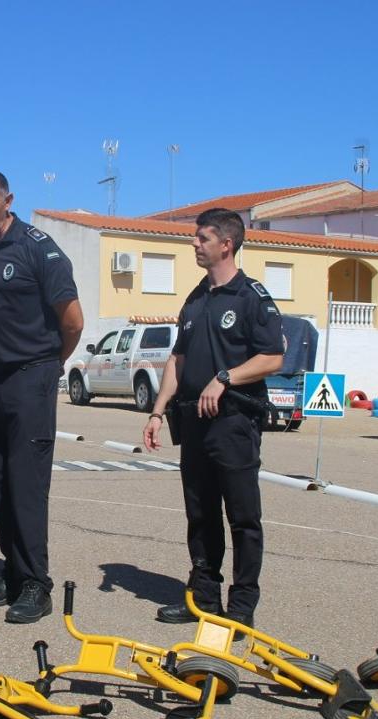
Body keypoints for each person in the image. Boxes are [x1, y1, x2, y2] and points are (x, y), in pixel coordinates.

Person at [142, 208, 284, 627]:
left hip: (234, 422)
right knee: (200, 514)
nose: (194, 244)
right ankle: (204, 600)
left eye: (202, 238)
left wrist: (226, 378)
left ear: (226, 244)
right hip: (193, 423)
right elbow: (178, 359)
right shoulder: (196, 298)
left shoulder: (251, 296)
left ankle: (241, 607)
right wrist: (157, 412)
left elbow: (273, 357)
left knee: (242, 517)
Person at [0, 170, 83, 623]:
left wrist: (51, 365)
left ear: (8, 201)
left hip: (31, 376)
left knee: (26, 484)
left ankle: (36, 583)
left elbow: (73, 320)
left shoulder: (38, 249)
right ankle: (12, 571)